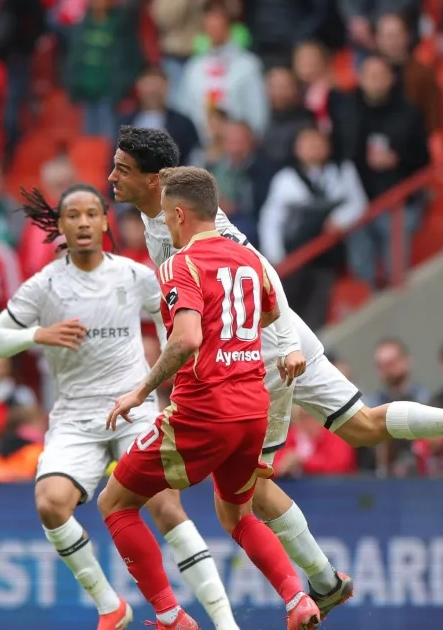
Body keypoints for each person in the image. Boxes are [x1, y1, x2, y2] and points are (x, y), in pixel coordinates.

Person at [109, 125, 443, 617]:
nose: (112, 177)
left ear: (156, 181)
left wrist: (282, 345)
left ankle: (322, 583)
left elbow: (260, 268)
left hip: (255, 353)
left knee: (245, 495)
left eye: (122, 170)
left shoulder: (188, 226)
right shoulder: (167, 211)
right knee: (362, 427)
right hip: (281, 338)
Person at [0, 183, 230, 630]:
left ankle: (223, 622)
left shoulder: (133, 275)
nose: (82, 223)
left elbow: (172, 320)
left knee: (166, 508)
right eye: (73, 215)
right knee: (50, 504)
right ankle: (110, 606)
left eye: (91, 214)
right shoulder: (44, 285)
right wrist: (38, 334)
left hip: (132, 410)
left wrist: (171, 368)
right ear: (60, 226)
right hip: (75, 418)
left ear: (104, 222)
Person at [100, 166, 319, 630]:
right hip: (252, 409)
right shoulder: (249, 259)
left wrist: (140, 392)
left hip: (204, 410)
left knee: (114, 503)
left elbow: (185, 340)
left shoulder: (180, 265)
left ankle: (170, 615)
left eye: (165, 216)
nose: (165, 224)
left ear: (179, 214)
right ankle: (298, 599)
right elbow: (268, 313)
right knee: (237, 513)